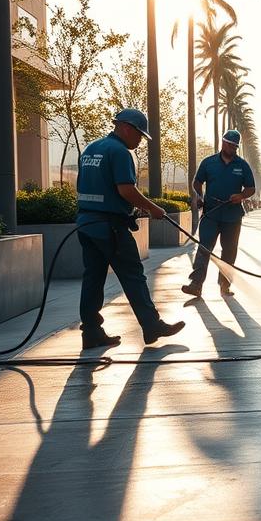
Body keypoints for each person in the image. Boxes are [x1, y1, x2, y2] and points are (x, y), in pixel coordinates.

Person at [75, 109, 186, 349]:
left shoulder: (90, 149)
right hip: (110, 227)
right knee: (133, 275)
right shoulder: (119, 152)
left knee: (92, 278)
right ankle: (151, 325)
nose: (140, 141)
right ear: (125, 127)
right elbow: (125, 190)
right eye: (139, 135)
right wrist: (153, 208)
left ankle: (91, 332)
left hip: (86, 224)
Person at [181, 129, 256, 299]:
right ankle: (196, 284)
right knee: (204, 248)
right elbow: (197, 182)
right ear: (223, 143)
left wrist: (241, 196)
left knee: (229, 251)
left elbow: (251, 188)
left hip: (232, 215)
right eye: (229, 144)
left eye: (235, 146)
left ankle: (224, 284)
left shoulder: (242, 165)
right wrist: (199, 196)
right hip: (211, 214)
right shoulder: (209, 163)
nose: (232, 148)